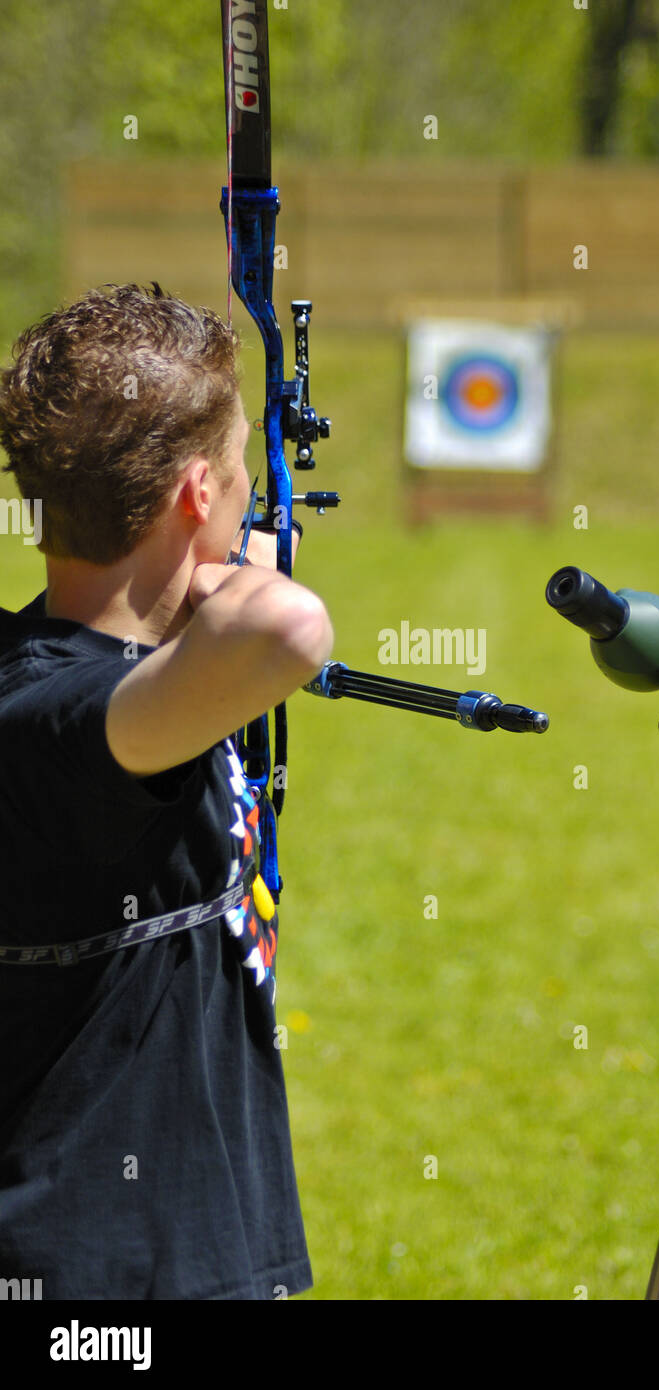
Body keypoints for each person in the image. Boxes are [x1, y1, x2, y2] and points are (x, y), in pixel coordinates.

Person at [0, 282, 332, 1300]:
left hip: (193, 1242)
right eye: (240, 472)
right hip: (102, 1279)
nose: (250, 498)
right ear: (197, 491)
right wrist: (235, 576)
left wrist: (200, 580)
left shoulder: (78, 668)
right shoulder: (58, 723)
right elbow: (290, 631)